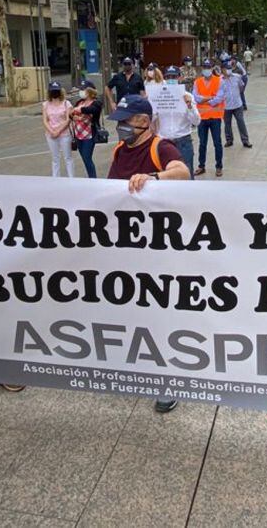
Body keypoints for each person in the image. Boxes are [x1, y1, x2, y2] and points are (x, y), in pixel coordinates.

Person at [106, 95, 191, 413]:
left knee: (160, 316)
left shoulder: (160, 147)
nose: (121, 127)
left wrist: (153, 178)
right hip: (127, 246)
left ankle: (169, 382)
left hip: (158, 249)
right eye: (120, 121)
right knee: (134, 312)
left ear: (143, 122)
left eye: (126, 121)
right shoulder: (119, 150)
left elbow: (182, 172)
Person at [150, 66, 200, 177]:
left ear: (180, 78)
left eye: (174, 76)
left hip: (183, 141)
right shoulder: (158, 96)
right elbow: (151, 120)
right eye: (168, 77)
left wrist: (189, 105)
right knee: (164, 175)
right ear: (164, 78)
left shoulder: (188, 96)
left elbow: (196, 122)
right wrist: (152, 107)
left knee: (187, 175)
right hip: (163, 142)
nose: (171, 79)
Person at [193, 59, 225, 177]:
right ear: (202, 68)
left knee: (217, 143)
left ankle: (219, 167)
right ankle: (201, 166)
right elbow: (196, 98)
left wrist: (205, 99)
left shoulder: (219, 81)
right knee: (202, 144)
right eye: (205, 67)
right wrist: (210, 98)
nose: (207, 69)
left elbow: (219, 98)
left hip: (215, 117)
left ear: (212, 68)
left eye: (209, 67)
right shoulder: (197, 82)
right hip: (202, 118)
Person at [69, 79, 103, 178]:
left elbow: (93, 110)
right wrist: (73, 116)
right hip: (78, 134)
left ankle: (93, 178)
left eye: (83, 90)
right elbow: (71, 113)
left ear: (89, 91)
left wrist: (80, 110)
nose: (81, 92)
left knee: (87, 157)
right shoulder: (79, 102)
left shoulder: (96, 103)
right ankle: (90, 176)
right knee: (84, 158)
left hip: (89, 135)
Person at [42, 80, 75, 178]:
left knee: (68, 157)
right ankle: (55, 179)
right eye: (53, 91)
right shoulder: (45, 104)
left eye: (56, 91)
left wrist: (58, 131)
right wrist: (52, 131)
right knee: (55, 158)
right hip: (50, 135)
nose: (54, 93)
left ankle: (71, 178)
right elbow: (45, 120)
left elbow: (68, 119)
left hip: (64, 134)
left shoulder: (66, 103)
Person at [220, 56, 251, 149]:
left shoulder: (237, 77)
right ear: (222, 70)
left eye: (230, 69)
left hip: (237, 104)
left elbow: (241, 87)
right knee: (227, 124)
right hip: (226, 106)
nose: (229, 70)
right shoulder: (219, 81)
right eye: (227, 69)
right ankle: (229, 140)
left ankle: (245, 140)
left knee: (241, 122)